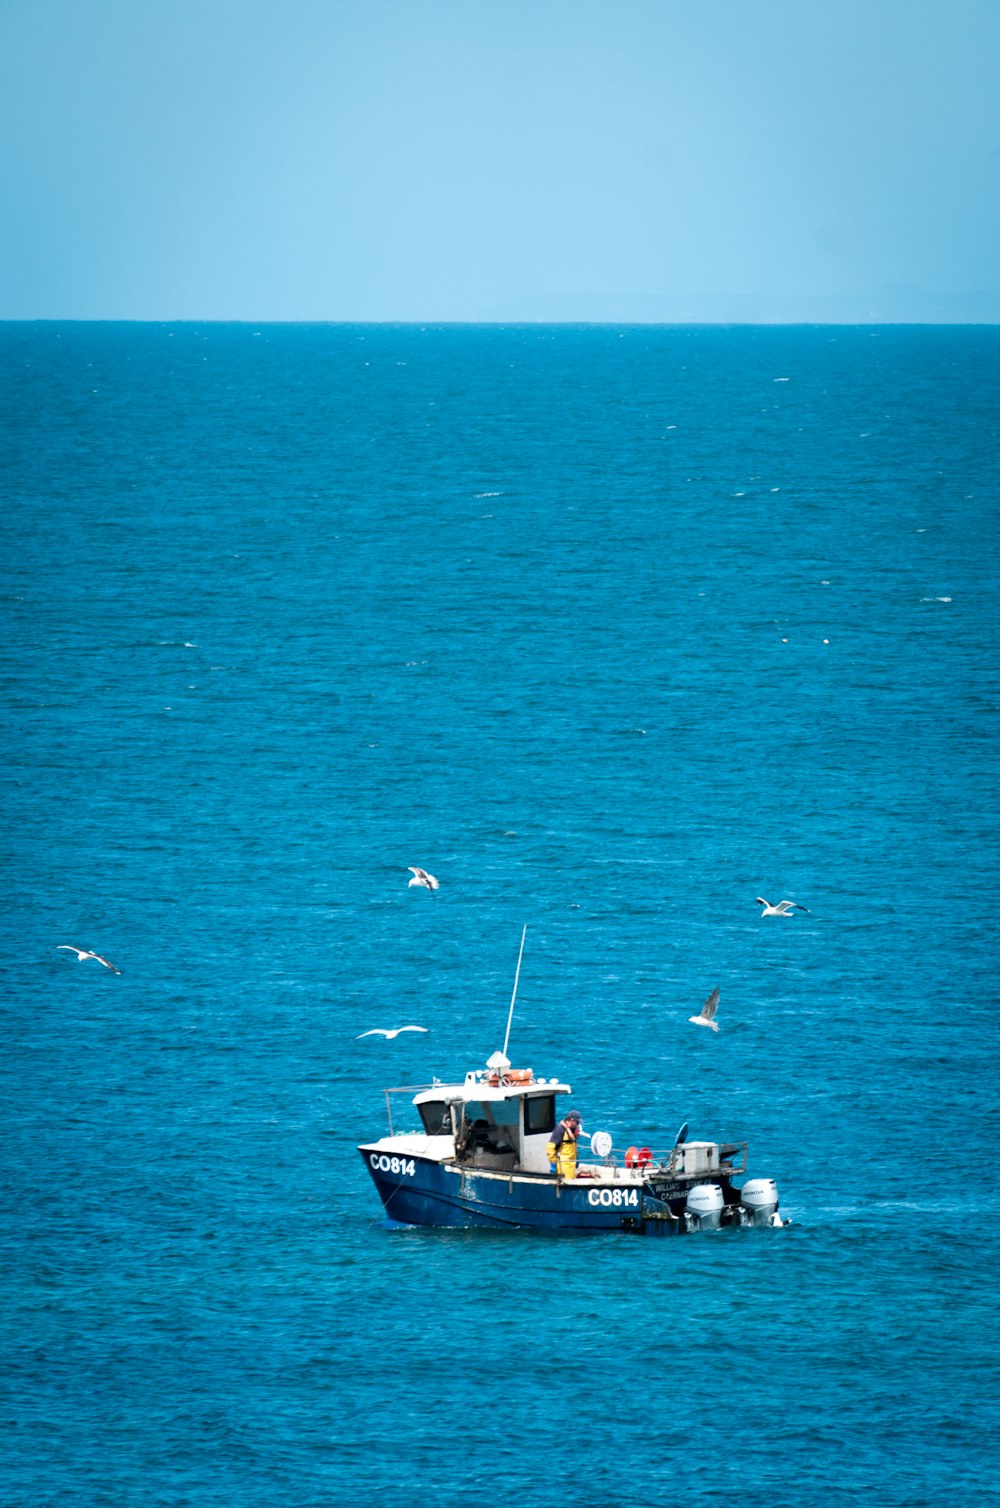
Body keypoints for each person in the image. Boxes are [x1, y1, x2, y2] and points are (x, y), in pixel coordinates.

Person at [546, 1110, 583, 1179]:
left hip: (571, 1166)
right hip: (563, 1166)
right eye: (577, 1122)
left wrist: (576, 1158)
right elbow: (550, 1147)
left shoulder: (572, 1131)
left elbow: (573, 1146)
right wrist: (553, 1163)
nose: (578, 1124)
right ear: (571, 1120)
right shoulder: (560, 1129)